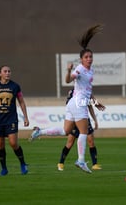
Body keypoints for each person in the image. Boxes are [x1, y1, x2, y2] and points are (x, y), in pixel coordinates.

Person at [29, 88, 105, 171]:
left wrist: (95, 119)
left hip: (83, 116)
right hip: (77, 115)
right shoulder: (73, 91)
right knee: (70, 141)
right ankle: (64, 162)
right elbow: (72, 103)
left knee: (89, 140)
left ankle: (94, 164)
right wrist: (95, 103)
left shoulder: (87, 89)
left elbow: (90, 103)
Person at [62, 24, 103, 173]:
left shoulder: (90, 70)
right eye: (86, 57)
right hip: (78, 103)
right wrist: (68, 70)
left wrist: (96, 103)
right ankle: (80, 161)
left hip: (79, 102)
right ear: (81, 59)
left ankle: (40, 132)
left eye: (91, 56)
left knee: (66, 131)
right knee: (83, 134)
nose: (89, 59)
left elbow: (88, 92)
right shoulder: (79, 69)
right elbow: (68, 80)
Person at [0, 65, 30, 176]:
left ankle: (23, 164)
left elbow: (21, 102)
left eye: (9, 71)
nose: (8, 73)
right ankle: (4, 168)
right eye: (5, 71)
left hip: (11, 119)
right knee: (0, 145)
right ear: (0, 74)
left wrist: (25, 117)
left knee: (13, 143)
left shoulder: (15, 86)